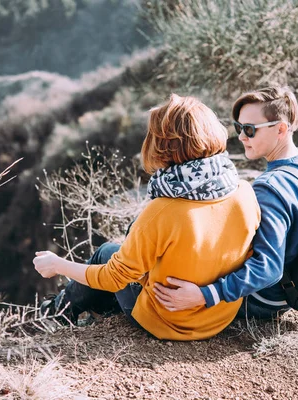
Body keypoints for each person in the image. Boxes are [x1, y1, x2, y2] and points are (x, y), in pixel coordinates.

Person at [33, 94, 261, 341]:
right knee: (127, 256)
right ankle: (90, 311)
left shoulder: (163, 211)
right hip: (218, 316)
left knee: (106, 253)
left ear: (163, 145)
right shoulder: (245, 191)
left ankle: (54, 314)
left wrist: (57, 265)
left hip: (168, 321)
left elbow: (114, 278)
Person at [153, 86, 298, 320]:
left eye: (250, 130)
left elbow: (269, 269)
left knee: (112, 256)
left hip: (264, 298)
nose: (241, 136)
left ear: (281, 129)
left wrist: (205, 294)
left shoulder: (268, 189)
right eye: (239, 127)